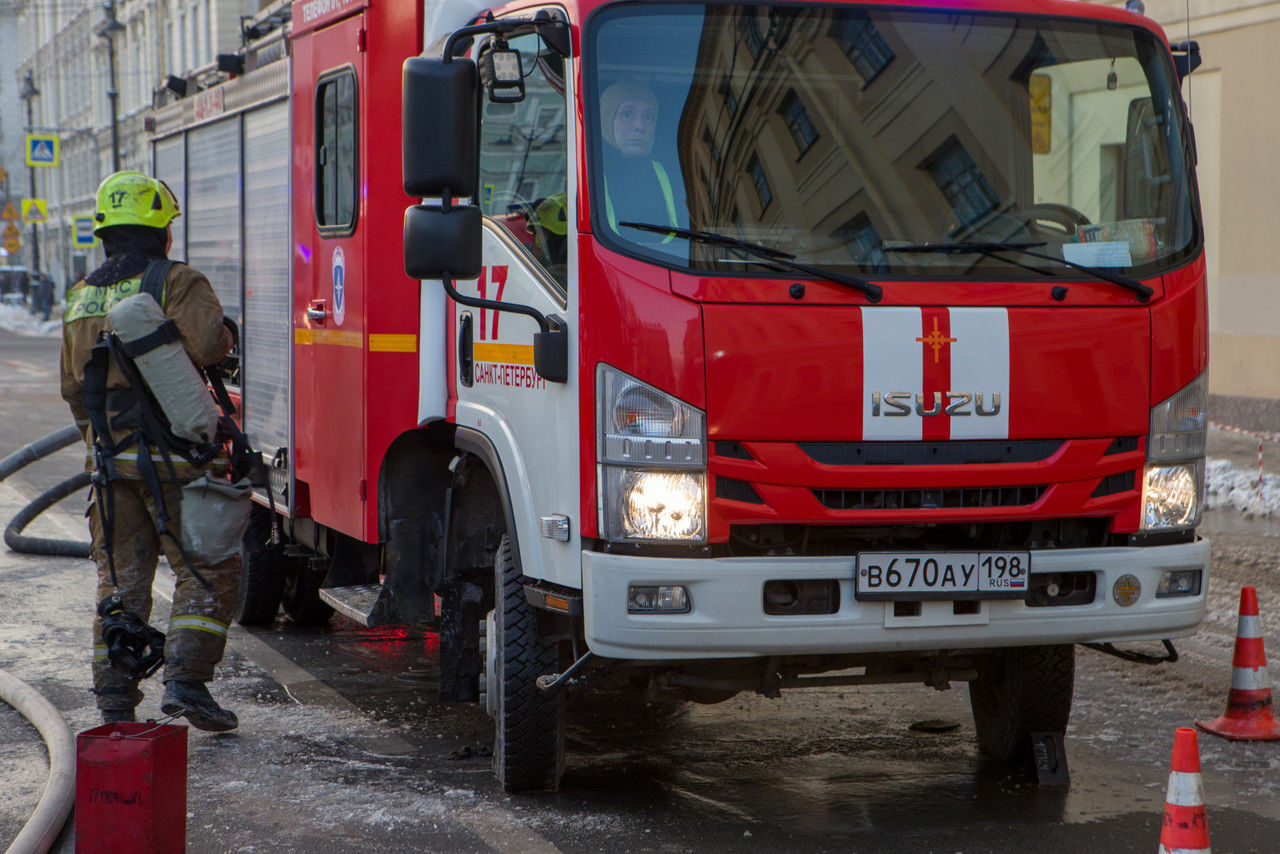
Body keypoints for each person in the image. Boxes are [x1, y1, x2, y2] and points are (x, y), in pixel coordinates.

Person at [61, 170, 243, 731]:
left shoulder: (79, 297)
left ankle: (115, 702)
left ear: (105, 234)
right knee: (208, 569)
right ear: (162, 230)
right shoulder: (176, 281)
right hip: (180, 461)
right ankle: (186, 683)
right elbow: (211, 345)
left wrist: (101, 451)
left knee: (121, 581)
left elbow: (73, 388)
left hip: (111, 469)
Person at [599, 81, 681, 241]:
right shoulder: (581, 171)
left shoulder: (674, 173)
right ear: (606, 119)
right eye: (627, 114)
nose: (639, 126)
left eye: (648, 117)